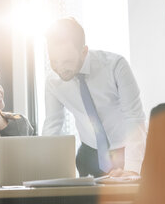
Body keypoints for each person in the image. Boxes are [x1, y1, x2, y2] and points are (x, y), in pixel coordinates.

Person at [42, 17, 147, 177]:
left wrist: (132, 169)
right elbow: (52, 126)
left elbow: (134, 118)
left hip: (128, 150)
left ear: (84, 51)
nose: (61, 68)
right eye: (54, 61)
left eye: (67, 61)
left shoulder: (115, 66)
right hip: (89, 155)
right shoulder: (52, 82)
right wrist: (45, 167)